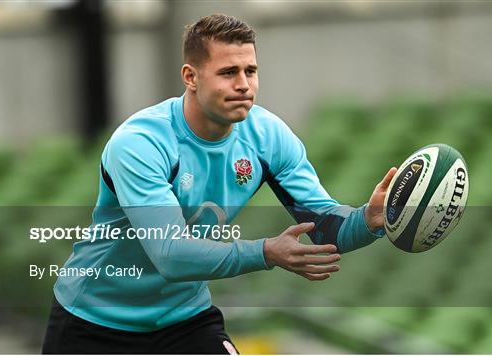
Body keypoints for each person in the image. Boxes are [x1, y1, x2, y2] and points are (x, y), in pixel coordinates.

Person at [42, 13, 396, 354]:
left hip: (184, 319)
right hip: (93, 324)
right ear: (191, 77)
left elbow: (326, 228)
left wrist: (369, 220)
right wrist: (266, 252)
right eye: (228, 72)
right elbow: (170, 255)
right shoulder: (140, 143)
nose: (243, 84)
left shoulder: (267, 136)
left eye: (250, 71)